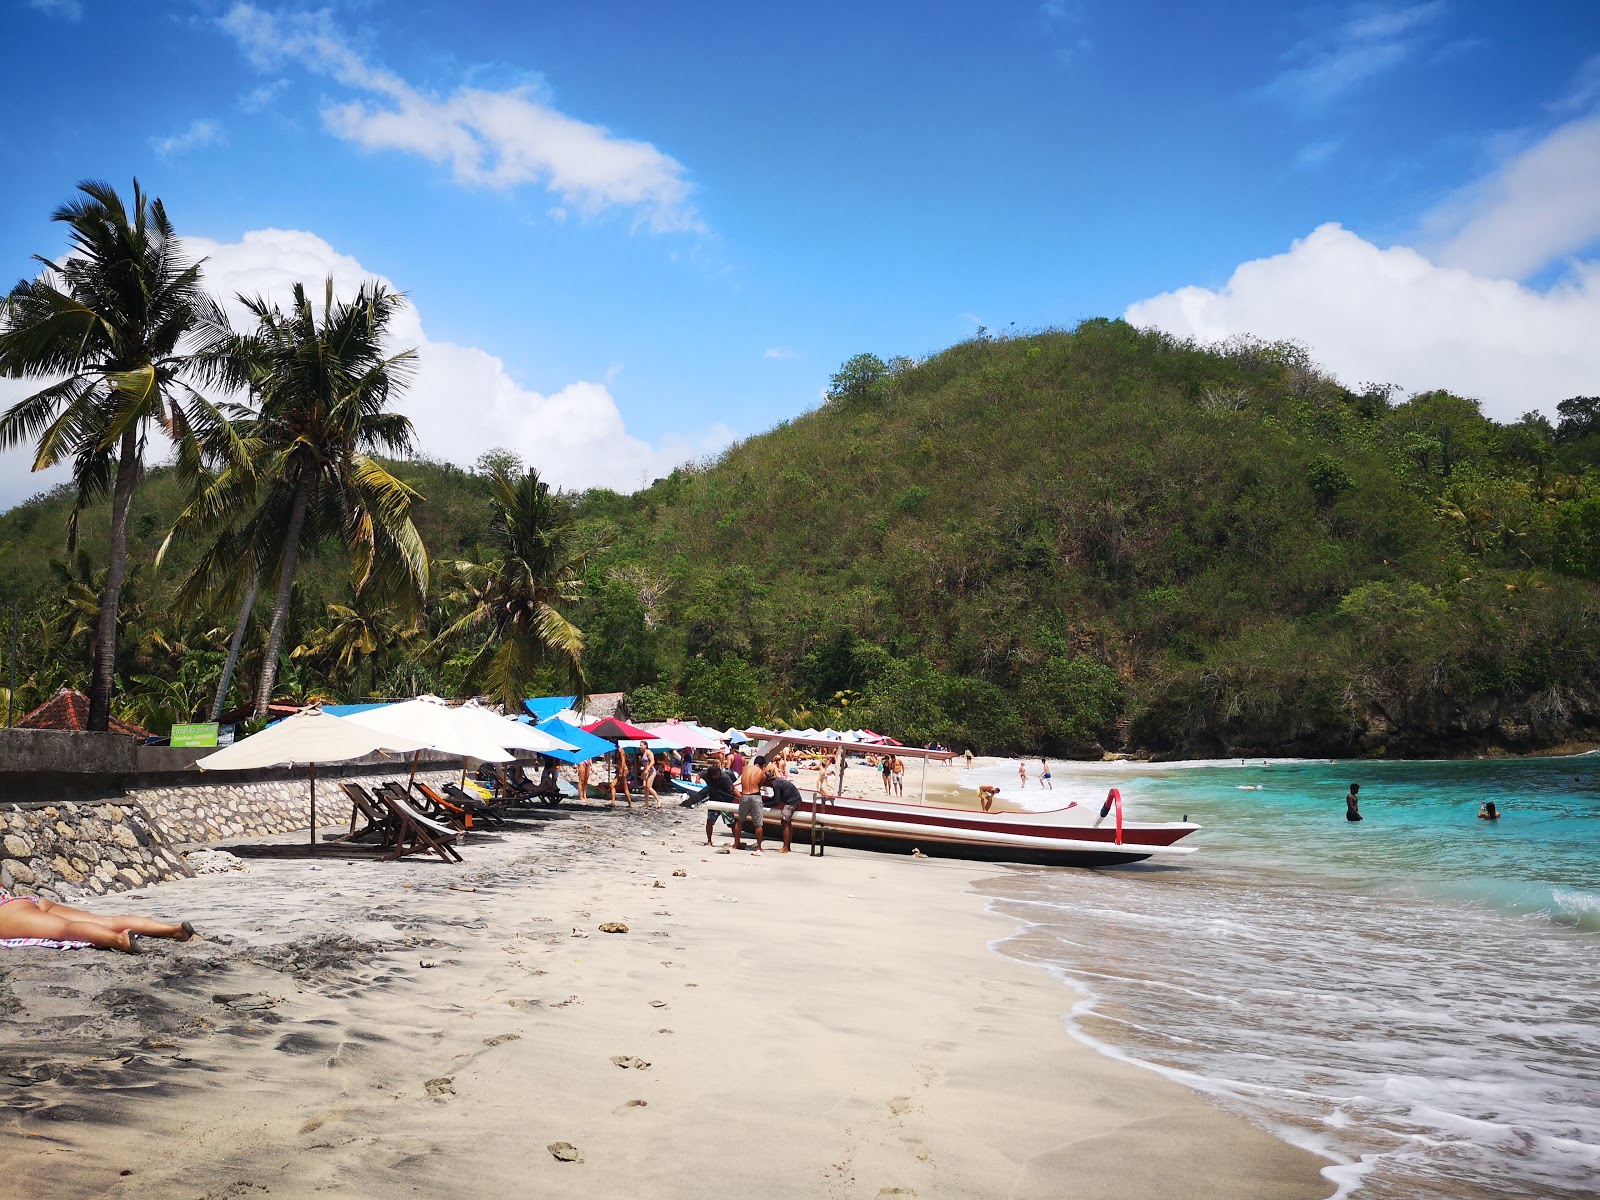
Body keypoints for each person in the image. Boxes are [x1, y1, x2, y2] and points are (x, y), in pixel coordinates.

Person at [0, 886, 198, 954]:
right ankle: (174, 931)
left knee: (65, 929)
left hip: (6, 913)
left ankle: (119, 941)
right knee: (107, 921)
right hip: (22, 901)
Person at [764, 760, 804, 853]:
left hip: (792, 802)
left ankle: (785, 847)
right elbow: (775, 798)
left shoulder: (775, 784)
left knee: (785, 822)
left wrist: (764, 804)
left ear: (768, 781)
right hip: (795, 800)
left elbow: (776, 801)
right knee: (788, 823)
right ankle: (788, 846)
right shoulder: (777, 782)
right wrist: (765, 801)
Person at [699, 756, 740, 845]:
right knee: (710, 821)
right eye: (715, 775)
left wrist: (741, 799)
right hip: (714, 802)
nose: (717, 776)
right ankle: (709, 841)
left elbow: (733, 789)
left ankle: (737, 842)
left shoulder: (725, 777)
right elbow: (699, 775)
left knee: (731, 823)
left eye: (718, 774)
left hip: (725, 803)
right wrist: (697, 781)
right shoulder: (707, 774)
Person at [736, 754, 768, 852]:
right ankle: (759, 846)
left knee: (739, 821)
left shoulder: (745, 768)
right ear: (763, 765)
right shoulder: (762, 773)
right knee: (758, 824)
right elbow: (760, 784)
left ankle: (736, 843)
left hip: (744, 795)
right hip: (755, 796)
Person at [640, 745, 661, 809]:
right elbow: (645, 764)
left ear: (645, 745)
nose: (640, 747)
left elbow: (652, 762)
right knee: (644, 786)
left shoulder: (649, 752)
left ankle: (658, 800)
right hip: (646, 771)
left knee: (649, 787)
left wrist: (647, 769)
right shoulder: (644, 753)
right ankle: (646, 803)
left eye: (641, 745)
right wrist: (643, 772)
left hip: (651, 771)